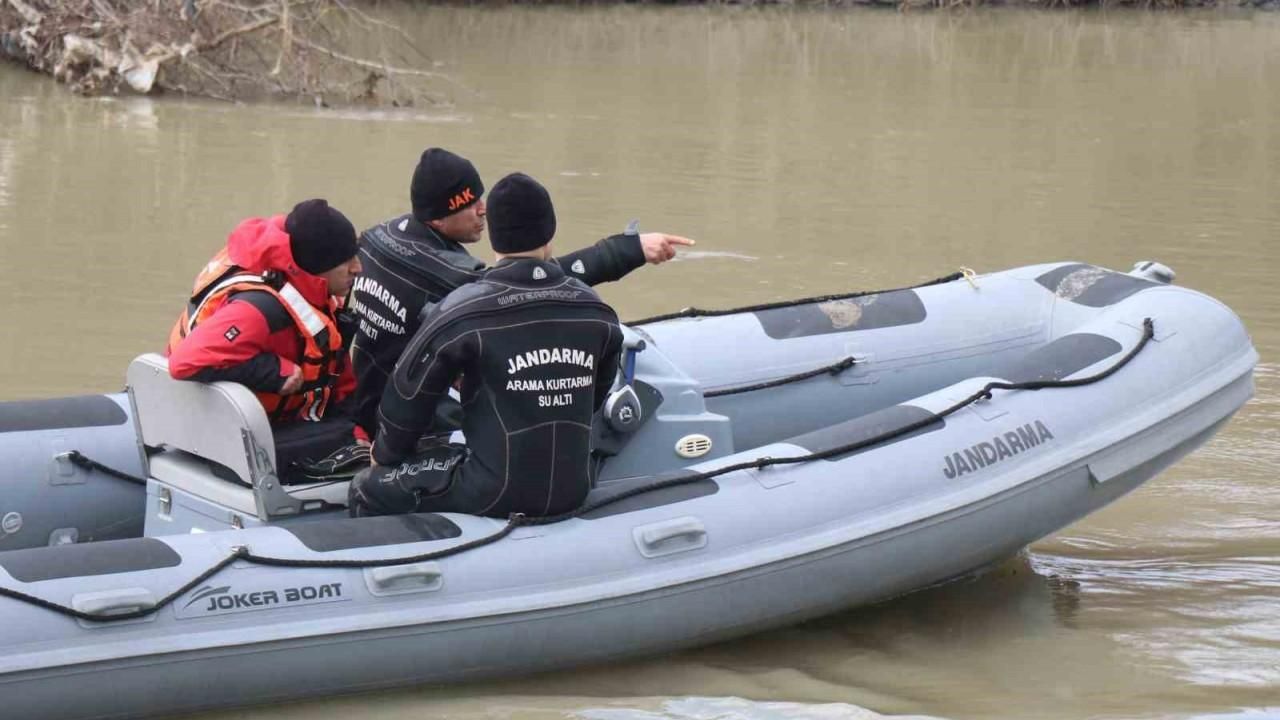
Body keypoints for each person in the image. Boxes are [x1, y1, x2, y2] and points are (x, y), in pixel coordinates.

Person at [346, 147, 692, 436]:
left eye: (480, 197)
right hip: (391, 418)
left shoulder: (378, 236)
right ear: (437, 219)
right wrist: (628, 250)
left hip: (366, 389)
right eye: (469, 204)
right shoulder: (446, 272)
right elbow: (531, 281)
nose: (483, 209)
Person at [348, 173, 623, 518]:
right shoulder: (595, 310)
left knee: (365, 488)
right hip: (575, 487)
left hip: (490, 492)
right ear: (550, 231)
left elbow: (409, 393)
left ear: (494, 236)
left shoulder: (462, 311)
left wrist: (385, 455)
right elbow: (596, 394)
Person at [167, 199, 368, 482]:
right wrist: (275, 371)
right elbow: (184, 363)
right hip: (225, 436)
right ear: (317, 266)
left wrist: (359, 428)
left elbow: (337, 375)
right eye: (346, 261)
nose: (357, 268)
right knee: (352, 444)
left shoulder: (310, 293)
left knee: (359, 430)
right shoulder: (260, 308)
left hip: (260, 418)